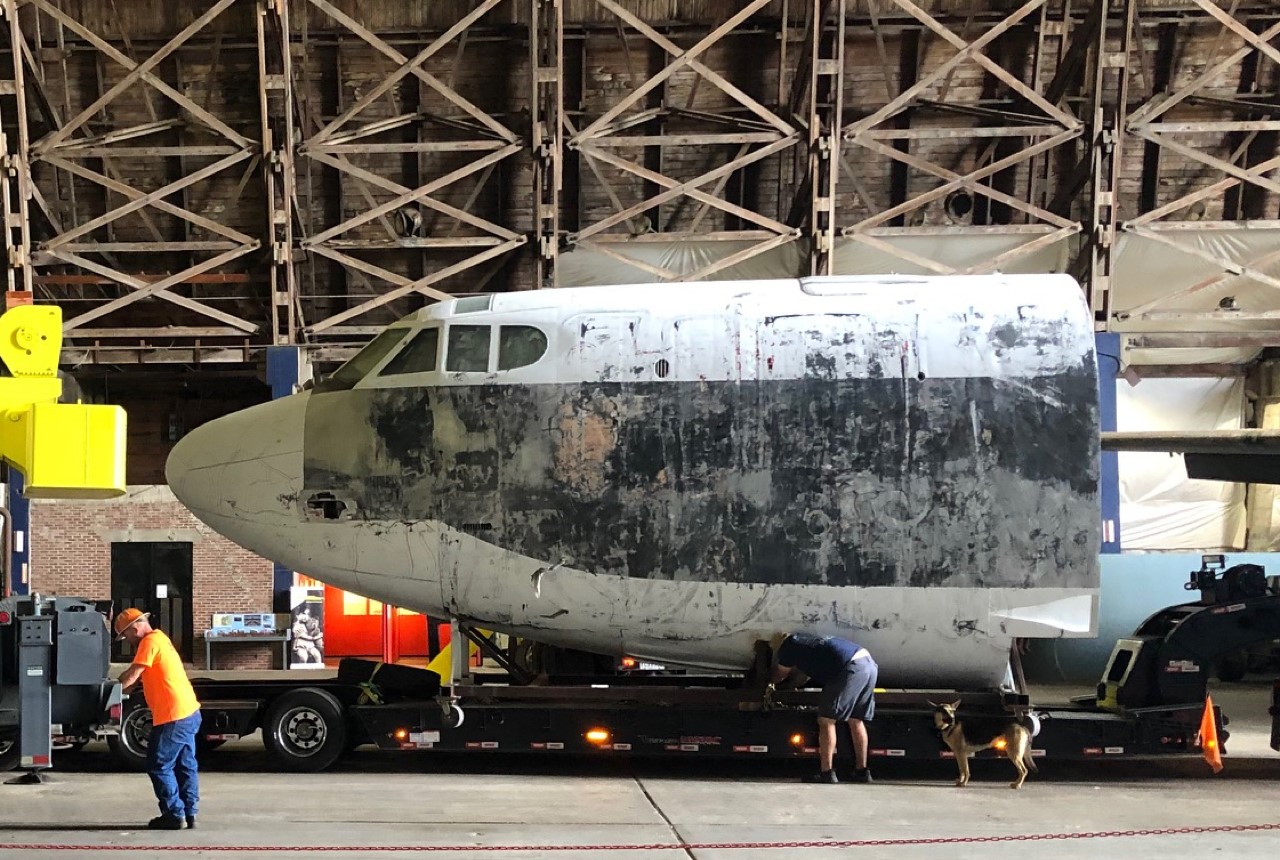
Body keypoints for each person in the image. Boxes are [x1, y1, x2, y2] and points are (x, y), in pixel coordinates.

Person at [115, 608, 202, 830]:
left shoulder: (149, 643)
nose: (127, 641)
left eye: (126, 636)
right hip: (189, 711)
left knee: (159, 765)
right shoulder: (160, 638)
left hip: (172, 716)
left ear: (134, 628)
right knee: (185, 765)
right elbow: (137, 677)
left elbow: (133, 675)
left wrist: (108, 694)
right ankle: (190, 813)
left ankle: (174, 815)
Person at [769, 632, 877, 784]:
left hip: (849, 667)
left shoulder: (789, 646)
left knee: (826, 720)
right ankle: (862, 771)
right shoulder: (809, 642)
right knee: (856, 720)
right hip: (869, 664)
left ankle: (826, 772)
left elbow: (780, 675)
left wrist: (769, 682)